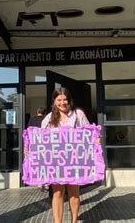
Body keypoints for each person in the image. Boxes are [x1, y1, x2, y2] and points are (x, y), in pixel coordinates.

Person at [40, 87, 90, 223]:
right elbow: (39, 138)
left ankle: (74, 221)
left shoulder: (78, 114)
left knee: (74, 193)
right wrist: (30, 149)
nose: (63, 103)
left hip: (75, 160)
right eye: (59, 100)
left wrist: (96, 140)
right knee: (57, 193)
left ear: (69, 100)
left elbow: (89, 132)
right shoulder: (49, 118)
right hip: (56, 161)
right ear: (54, 101)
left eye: (65, 99)